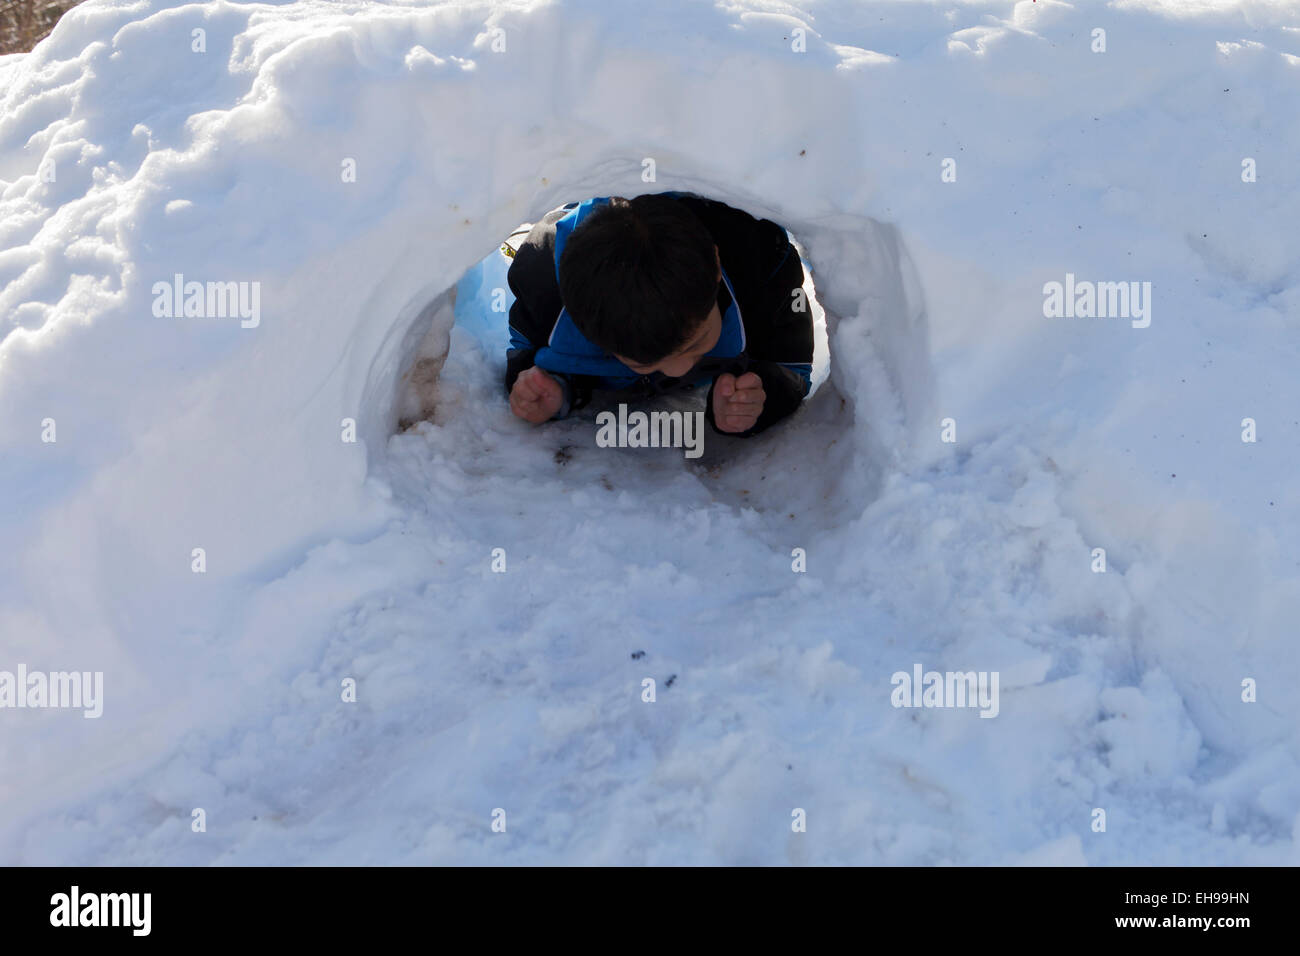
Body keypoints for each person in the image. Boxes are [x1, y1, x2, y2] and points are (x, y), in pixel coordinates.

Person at [504, 191, 812, 436]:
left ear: (716, 267)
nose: (678, 370)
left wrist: (759, 395)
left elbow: (791, 365)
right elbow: (525, 358)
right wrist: (550, 386)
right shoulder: (543, 287)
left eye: (696, 343)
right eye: (644, 361)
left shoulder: (762, 268)